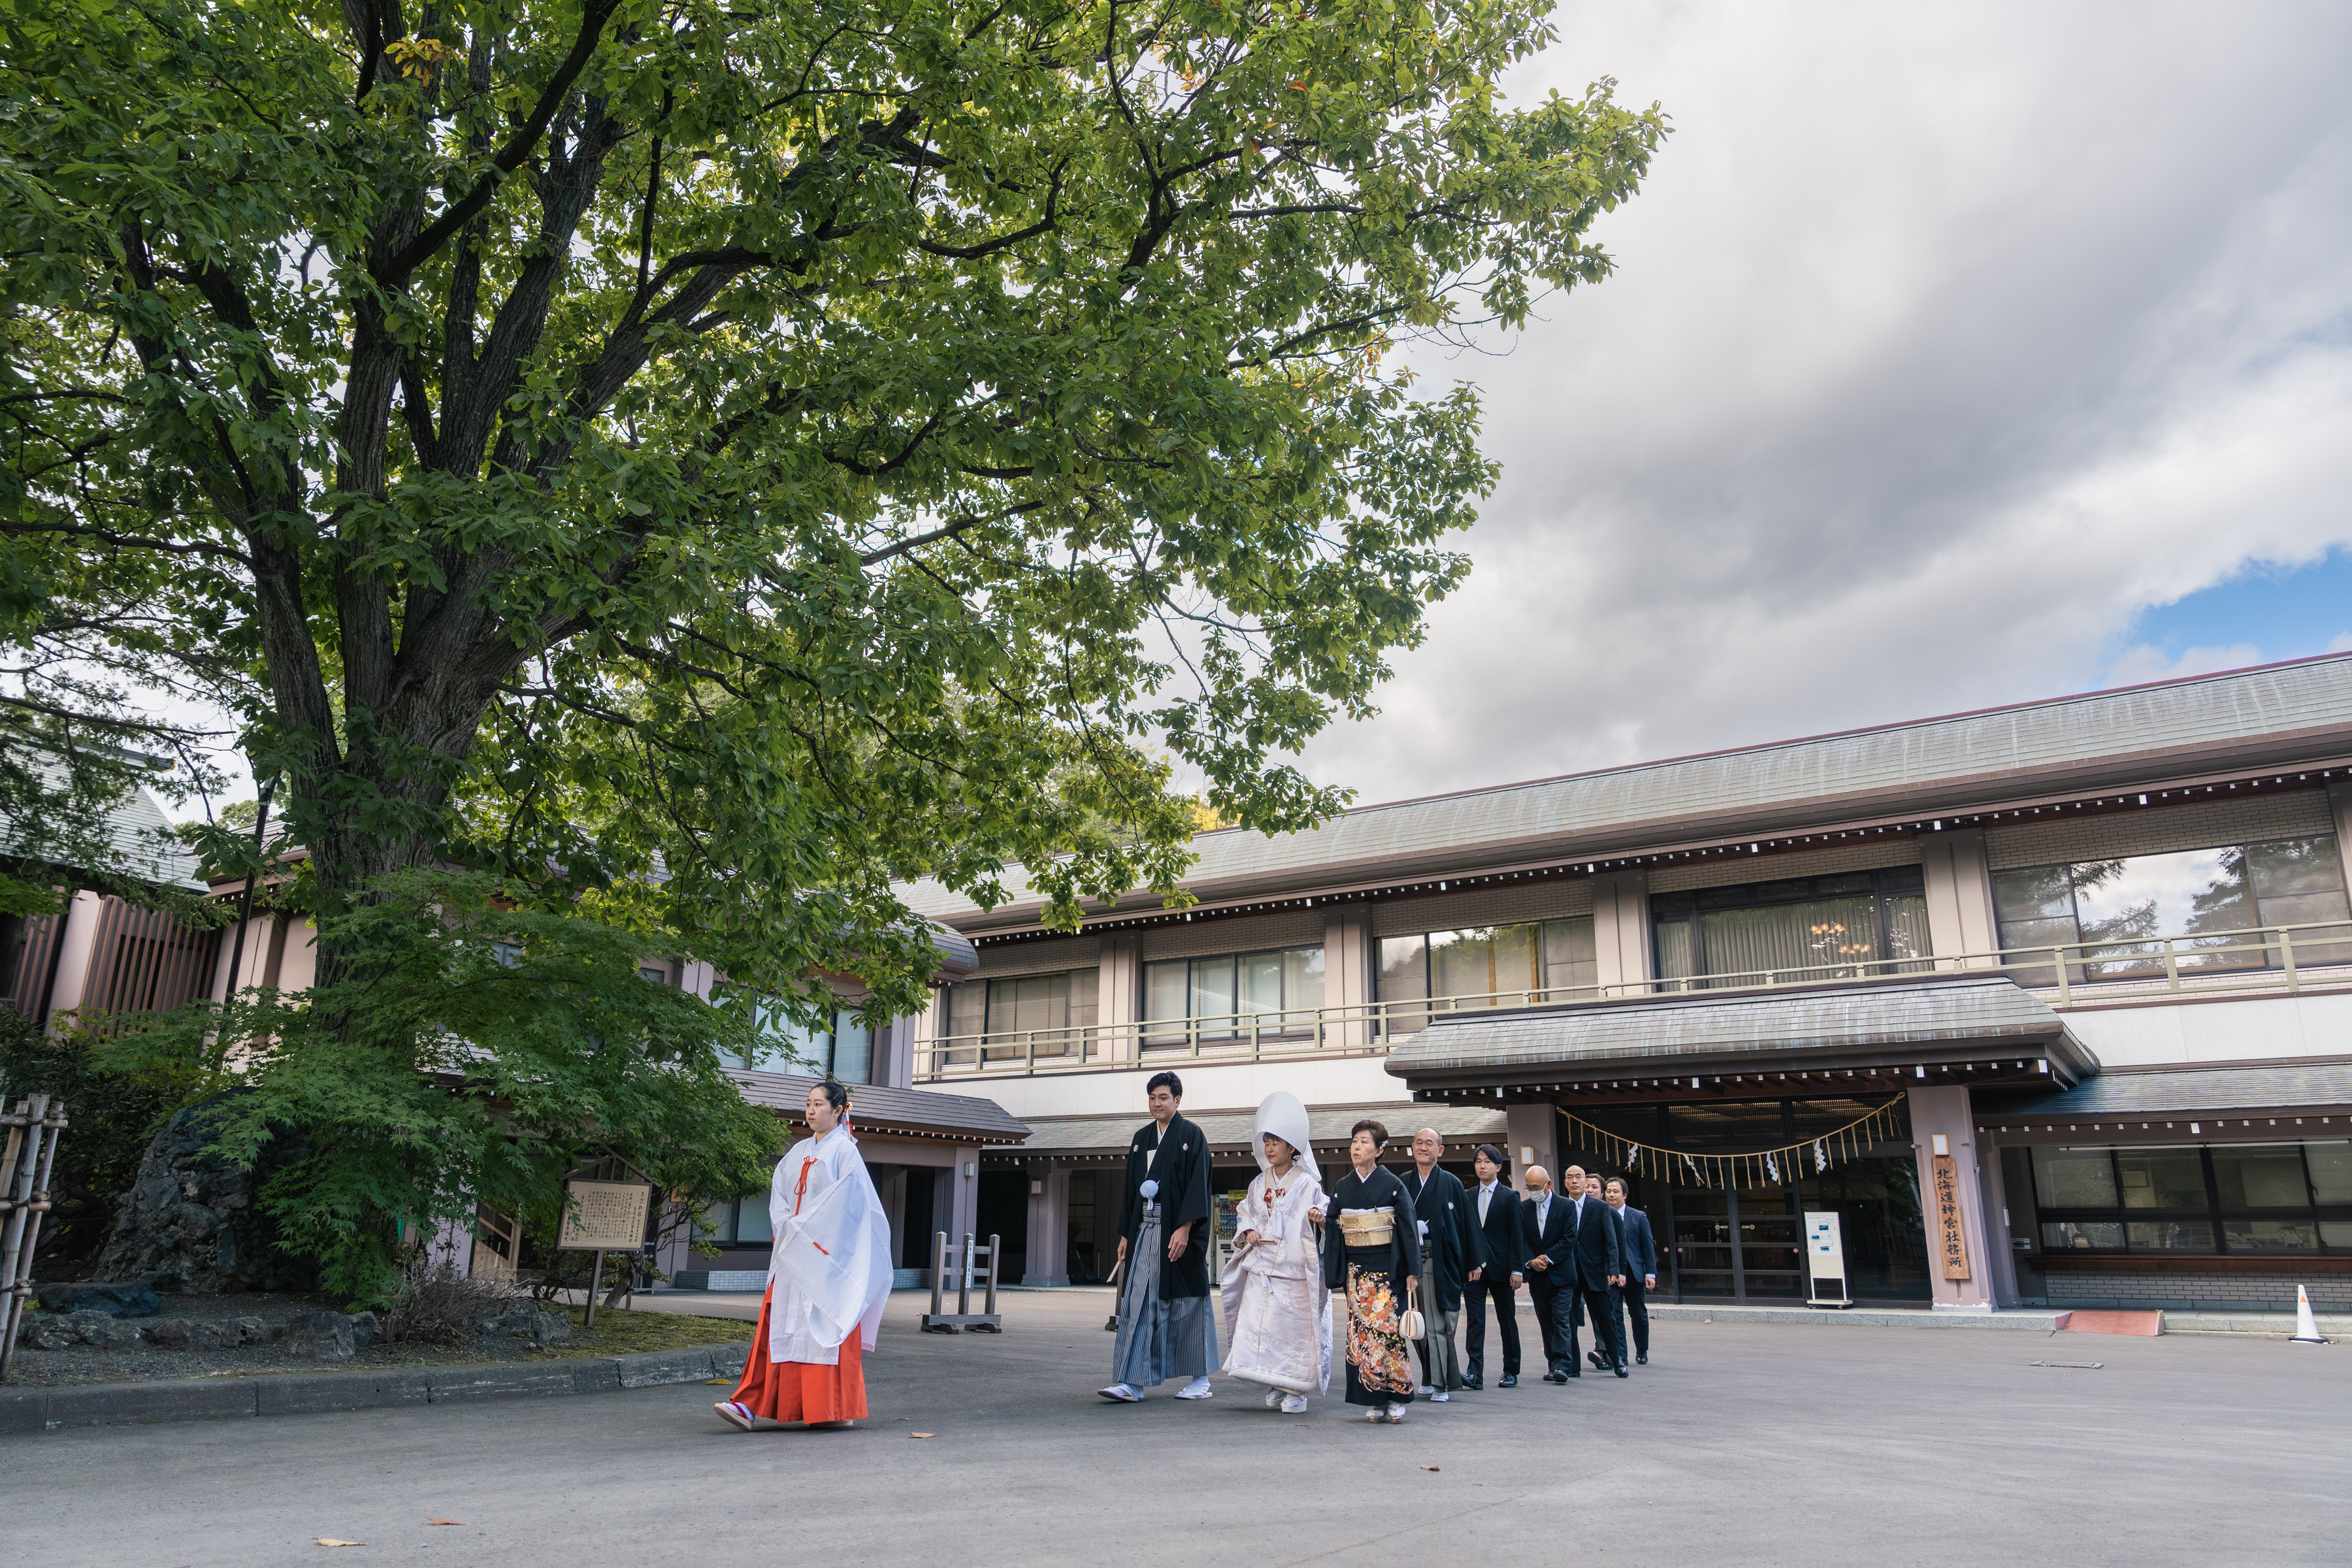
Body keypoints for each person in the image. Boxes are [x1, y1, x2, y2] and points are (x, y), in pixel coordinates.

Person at [715, 1081, 894, 1431]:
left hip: (826, 1260)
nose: (811, 1111)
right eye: (808, 1104)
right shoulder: (797, 1152)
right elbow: (779, 1197)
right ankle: (748, 1405)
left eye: (819, 1104)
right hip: (792, 1254)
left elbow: (853, 1209)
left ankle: (831, 1408)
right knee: (775, 1326)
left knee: (824, 1330)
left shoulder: (845, 1153)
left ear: (839, 1110)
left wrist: (809, 1233)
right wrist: (789, 1227)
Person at [1101, 1071, 1217, 1402]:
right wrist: (1127, 1232)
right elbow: (1130, 1191)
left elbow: (1199, 1184)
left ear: (1177, 1100)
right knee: (1137, 1304)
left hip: (1179, 1234)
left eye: (1163, 1097)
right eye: (1152, 1098)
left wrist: (1185, 1227)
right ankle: (1132, 1380)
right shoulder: (1141, 1139)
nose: (1156, 1103)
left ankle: (1200, 1379)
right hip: (1146, 1232)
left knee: (1189, 1304)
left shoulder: (1191, 1135)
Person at [1218, 1092, 1331, 1414]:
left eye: (1276, 1142)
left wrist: (1319, 1219)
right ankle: (1273, 1383)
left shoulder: (1308, 1184)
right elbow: (1246, 1212)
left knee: (1292, 1333)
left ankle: (1295, 1391)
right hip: (1262, 1268)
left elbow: (1323, 1210)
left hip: (1293, 1272)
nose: (1269, 1149)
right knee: (1258, 1328)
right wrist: (1249, 1230)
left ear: (1292, 1147)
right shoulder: (1258, 1183)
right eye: (1266, 1142)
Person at [1320, 1119, 1422, 1423]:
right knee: (1361, 1336)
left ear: (1379, 1150)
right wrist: (1325, 1221)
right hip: (1357, 1273)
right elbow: (1337, 1225)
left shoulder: (1393, 1185)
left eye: (1364, 1142)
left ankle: (1397, 1395)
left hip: (1387, 1273)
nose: (1356, 1147)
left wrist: (1412, 1272)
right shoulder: (1342, 1187)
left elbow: (1406, 1229)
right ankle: (1374, 1398)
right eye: (1354, 1141)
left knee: (1389, 1335)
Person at [1398, 1127, 1479, 1402]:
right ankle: (1430, 1376)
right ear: (1412, 1147)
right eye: (1419, 1143)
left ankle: (1442, 1384)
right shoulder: (1403, 1183)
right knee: (1415, 1324)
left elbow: (1467, 1225)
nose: (1424, 1148)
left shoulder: (1452, 1183)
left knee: (1436, 1324)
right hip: (1410, 1261)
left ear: (1440, 1150)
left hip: (1439, 1259)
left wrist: (1473, 1261)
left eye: (1430, 1144)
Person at [1462, 1144, 1524, 1389]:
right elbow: (1466, 1234)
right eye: (1478, 1161)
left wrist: (1517, 1269)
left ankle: (1511, 1370)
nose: (1482, 1166)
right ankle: (1474, 1373)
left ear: (1498, 1167)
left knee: (1506, 1320)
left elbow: (1517, 1236)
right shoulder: (1467, 1196)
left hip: (1502, 1269)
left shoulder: (1510, 1197)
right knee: (1475, 1321)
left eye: (1487, 1162)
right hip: (1474, 1269)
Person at [1564, 1165, 1626, 1379]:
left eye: (1578, 1177)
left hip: (1596, 1270)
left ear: (1585, 1183)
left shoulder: (1600, 1207)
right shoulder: (1561, 1206)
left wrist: (1614, 1268)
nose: (1574, 1181)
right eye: (1570, 1177)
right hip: (1568, 1270)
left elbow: (1611, 1240)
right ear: (1565, 1183)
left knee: (1605, 1317)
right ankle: (1573, 1365)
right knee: (1569, 1318)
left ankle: (1617, 1360)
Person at [1518, 1165, 1576, 1383]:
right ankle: (1552, 1364)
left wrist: (1548, 1258)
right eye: (1529, 1187)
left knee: (1561, 1318)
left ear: (1548, 1184)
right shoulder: (1523, 1208)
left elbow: (1570, 1238)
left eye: (1536, 1187)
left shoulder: (1566, 1206)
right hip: (1537, 1276)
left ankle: (1562, 1365)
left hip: (1561, 1273)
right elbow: (1521, 1239)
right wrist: (1531, 1260)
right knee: (1546, 1322)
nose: (1533, 1191)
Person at [1605, 1177, 1656, 1367]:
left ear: (1624, 1195)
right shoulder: (1602, 1214)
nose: (1611, 1194)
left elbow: (1647, 1246)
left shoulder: (1638, 1216)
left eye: (1615, 1191)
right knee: (1615, 1314)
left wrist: (1650, 1273)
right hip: (1611, 1273)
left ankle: (1642, 1351)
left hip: (1634, 1273)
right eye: (1608, 1191)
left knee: (1638, 1314)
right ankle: (1621, 1355)